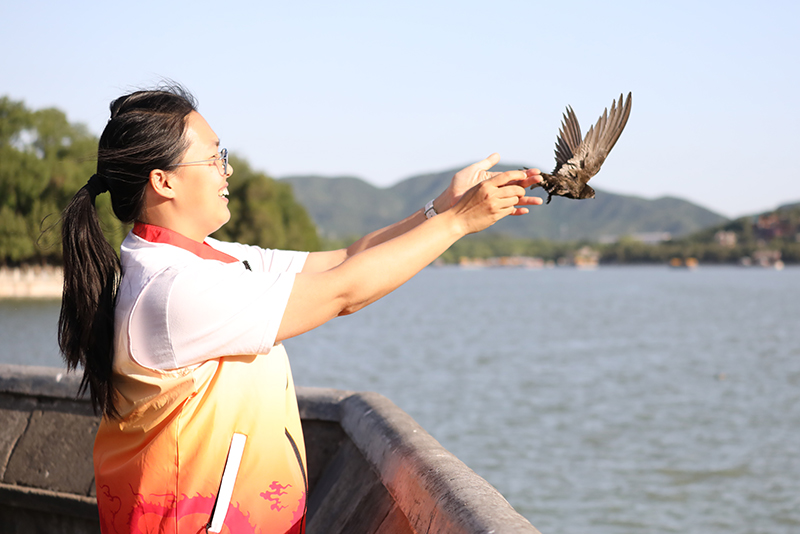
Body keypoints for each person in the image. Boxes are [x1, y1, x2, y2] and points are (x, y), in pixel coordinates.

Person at [58, 84, 542, 534]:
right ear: (163, 181)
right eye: (213, 159)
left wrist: (439, 208)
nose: (227, 170)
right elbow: (342, 293)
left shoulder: (216, 259)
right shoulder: (173, 291)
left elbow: (343, 260)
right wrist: (457, 224)